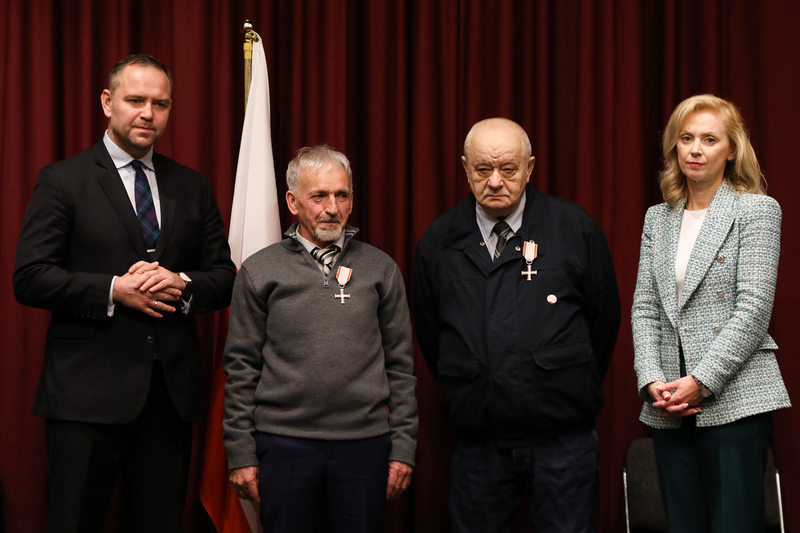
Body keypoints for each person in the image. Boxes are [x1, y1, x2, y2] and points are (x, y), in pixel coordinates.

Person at [13, 55, 236, 532]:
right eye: (136, 101)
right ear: (108, 102)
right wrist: (114, 290)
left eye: (160, 104)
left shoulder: (193, 186)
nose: (148, 114)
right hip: (84, 396)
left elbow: (225, 275)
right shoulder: (64, 180)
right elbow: (29, 276)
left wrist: (184, 284)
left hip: (168, 397)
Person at [413, 117, 620, 533]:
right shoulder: (439, 241)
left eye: (508, 169)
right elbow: (431, 334)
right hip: (479, 443)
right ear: (465, 168)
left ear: (529, 168)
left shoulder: (573, 228)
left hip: (564, 439)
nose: (495, 181)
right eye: (482, 169)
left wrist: (560, 379)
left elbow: (604, 321)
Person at [223, 145, 418, 533]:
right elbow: (241, 367)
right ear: (293, 202)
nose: (332, 207)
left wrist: (403, 448)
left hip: (365, 444)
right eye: (319, 196)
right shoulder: (260, 270)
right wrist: (241, 452)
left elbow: (401, 366)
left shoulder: (381, 268)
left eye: (341, 195)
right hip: (283, 444)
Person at [632, 94, 790, 532]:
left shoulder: (756, 210)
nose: (695, 149)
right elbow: (645, 306)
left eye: (708, 139)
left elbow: (754, 309)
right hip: (669, 403)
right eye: (686, 138)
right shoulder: (657, 218)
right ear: (674, 147)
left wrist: (701, 382)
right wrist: (651, 380)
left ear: (732, 149)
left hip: (734, 397)